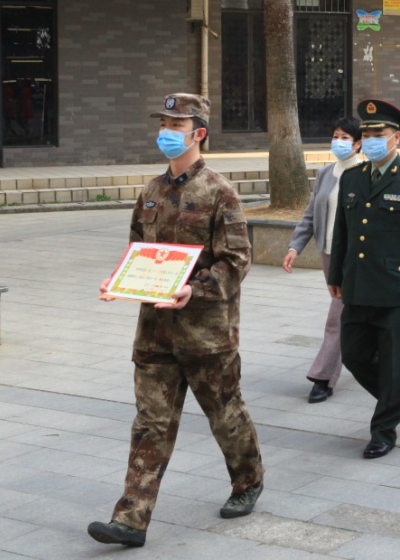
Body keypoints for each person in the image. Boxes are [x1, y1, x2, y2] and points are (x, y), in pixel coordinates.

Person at [90, 94, 263, 548]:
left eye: (176, 123)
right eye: (164, 122)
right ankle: (131, 519)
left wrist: (196, 289)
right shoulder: (150, 191)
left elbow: (238, 260)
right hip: (155, 333)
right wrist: (119, 278)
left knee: (225, 414)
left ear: (198, 133)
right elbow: (136, 249)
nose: (166, 131)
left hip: (206, 334)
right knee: (151, 423)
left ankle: (248, 481)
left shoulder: (219, 192)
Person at [327, 99, 400, 459]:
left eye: (380, 133)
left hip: (396, 286)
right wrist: (336, 275)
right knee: (354, 353)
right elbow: (342, 232)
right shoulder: (352, 177)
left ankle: (383, 430)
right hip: (358, 283)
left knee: (394, 360)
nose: (372, 138)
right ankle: (397, 391)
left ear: (396, 139)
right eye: (368, 133)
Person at [283, 117, 363, 404]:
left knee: (337, 317)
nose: (338, 142)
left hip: (357, 258)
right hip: (329, 253)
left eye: (345, 137)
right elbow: (310, 214)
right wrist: (295, 246)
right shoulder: (326, 174)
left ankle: (323, 377)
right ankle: (371, 355)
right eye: (335, 135)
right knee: (353, 314)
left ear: (358, 143)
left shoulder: (367, 174)